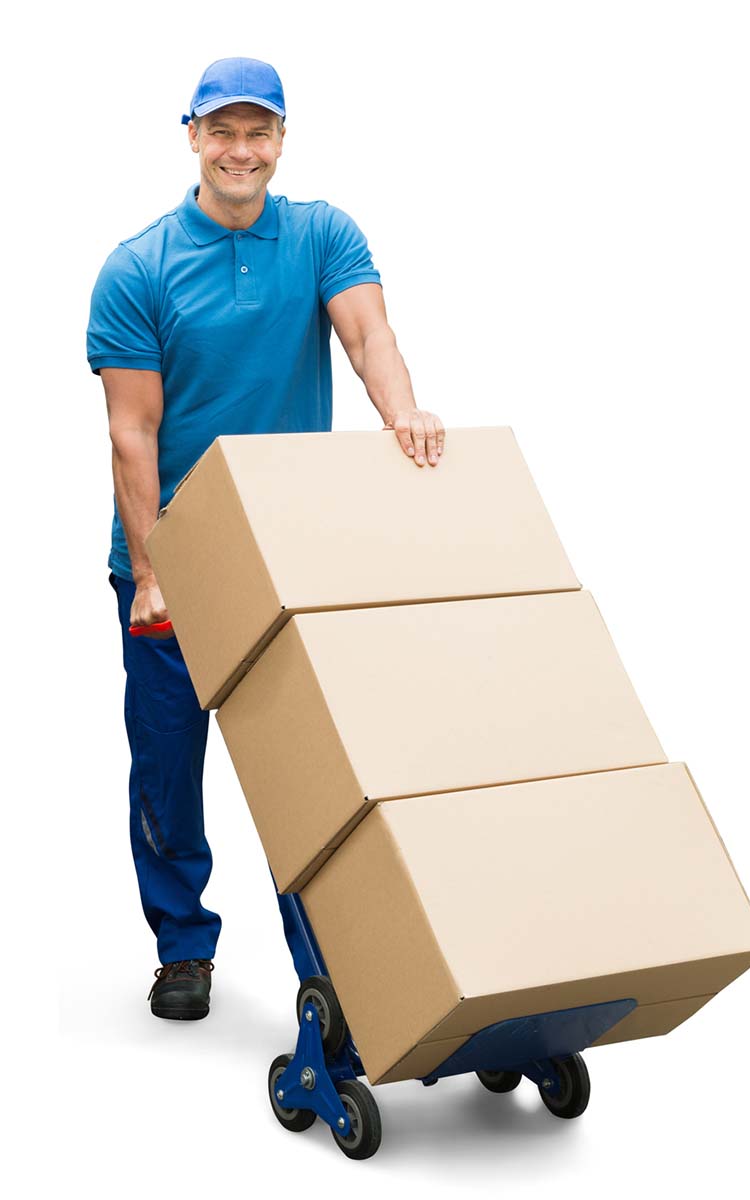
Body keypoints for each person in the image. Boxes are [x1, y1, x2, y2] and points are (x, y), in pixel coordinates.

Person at [87, 57, 445, 1021]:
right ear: (192, 138)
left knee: (309, 769)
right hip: (173, 558)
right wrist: (156, 574)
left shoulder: (323, 233)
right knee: (167, 763)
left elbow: (368, 335)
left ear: (281, 141)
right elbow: (134, 433)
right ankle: (183, 948)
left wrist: (400, 410)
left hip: (290, 550)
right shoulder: (139, 266)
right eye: (222, 132)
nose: (240, 151)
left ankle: (327, 969)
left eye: (259, 132)